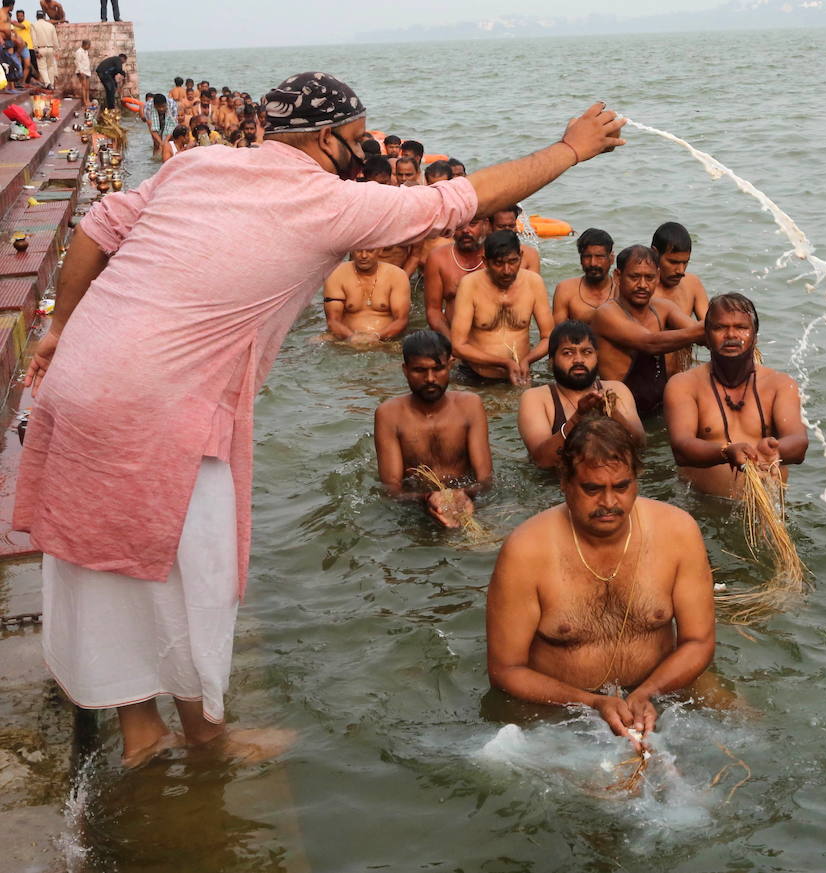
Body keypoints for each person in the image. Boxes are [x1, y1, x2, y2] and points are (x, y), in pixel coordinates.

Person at [16, 70, 625, 766]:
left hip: (78, 380)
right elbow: (467, 198)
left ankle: (141, 734)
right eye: (358, 140)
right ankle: (208, 739)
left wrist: (62, 327)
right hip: (162, 405)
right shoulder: (325, 203)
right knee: (196, 577)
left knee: (108, 561)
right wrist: (570, 149)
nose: (363, 154)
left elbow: (97, 227)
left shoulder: (200, 162)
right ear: (328, 139)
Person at [486, 416, 714, 750]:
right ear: (564, 482)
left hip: (666, 692)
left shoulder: (678, 532)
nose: (608, 503)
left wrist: (648, 693)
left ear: (636, 480)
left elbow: (699, 641)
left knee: (747, 739)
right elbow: (506, 669)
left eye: (621, 487)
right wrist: (590, 704)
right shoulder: (525, 551)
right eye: (592, 489)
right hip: (562, 712)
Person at [664, 293, 807, 497]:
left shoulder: (780, 384)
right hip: (704, 505)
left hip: (768, 507)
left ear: (755, 336)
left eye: (741, 327)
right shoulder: (684, 384)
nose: (731, 335)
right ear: (706, 336)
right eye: (720, 327)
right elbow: (681, 449)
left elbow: (799, 444)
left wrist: (775, 450)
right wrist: (725, 452)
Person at [375, 330, 492, 527]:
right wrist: (428, 497)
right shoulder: (389, 415)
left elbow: (486, 479)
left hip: (468, 499)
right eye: (419, 370)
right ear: (405, 370)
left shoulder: (470, 406)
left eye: (438, 369)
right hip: (415, 508)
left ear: (450, 365)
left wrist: (463, 494)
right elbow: (391, 489)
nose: (430, 378)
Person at [591, 245, 703, 417]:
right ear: (618, 277)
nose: (642, 285)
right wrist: (705, 330)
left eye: (649, 278)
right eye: (634, 277)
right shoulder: (606, 313)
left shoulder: (664, 308)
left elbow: (698, 333)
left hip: (660, 407)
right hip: (619, 411)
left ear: (658, 277)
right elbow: (649, 343)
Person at [517, 320, 643, 468]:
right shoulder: (535, 398)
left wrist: (612, 411)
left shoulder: (617, 389)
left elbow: (640, 445)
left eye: (587, 352)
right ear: (551, 362)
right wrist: (579, 417)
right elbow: (543, 460)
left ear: (597, 357)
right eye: (567, 353)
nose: (578, 360)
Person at [449, 229, 552, 386]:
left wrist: (527, 360)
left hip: (523, 373)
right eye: (498, 263)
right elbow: (458, 346)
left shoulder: (533, 282)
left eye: (512, 261)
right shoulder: (470, 284)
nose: (507, 270)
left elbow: (549, 337)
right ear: (485, 261)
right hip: (476, 375)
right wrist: (505, 363)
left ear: (521, 257)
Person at [322, 248, 410, 344]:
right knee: (314, 342)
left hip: (386, 341)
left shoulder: (397, 275)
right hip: (346, 339)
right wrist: (351, 338)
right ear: (351, 250)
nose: (363, 256)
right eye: (358, 250)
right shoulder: (336, 274)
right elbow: (333, 321)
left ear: (380, 250)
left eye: (370, 251)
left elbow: (401, 320)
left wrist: (376, 337)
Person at [423, 214, 489, 337]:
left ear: (485, 224)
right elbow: (433, 311)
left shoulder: (498, 258)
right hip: (452, 335)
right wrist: (453, 344)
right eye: (459, 225)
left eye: (472, 224)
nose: (465, 230)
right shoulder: (438, 258)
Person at [552, 227, 615, 325]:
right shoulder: (566, 290)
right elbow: (557, 334)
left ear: (611, 258)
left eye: (599, 257)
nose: (593, 263)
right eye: (587, 257)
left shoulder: (622, 289)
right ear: (581, 259)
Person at [650, 221, 708, 321]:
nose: (681, 271)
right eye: (673, 262)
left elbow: (710, 326)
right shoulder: (641, 292)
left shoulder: (692, 284)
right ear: (654, 253)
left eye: (685, 262)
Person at [490, 204, 541, 274]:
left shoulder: (530, 255)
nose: (507, 231)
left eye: (511, 226)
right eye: (501, 226)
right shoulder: (481, 256)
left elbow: (534, 283)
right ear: (490, 226)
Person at [30, 11, 56, 89]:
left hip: (41, 48)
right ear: (44, 17)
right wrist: (56, 49)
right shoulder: (50, 25)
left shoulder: (34, 25)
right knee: (50, 67)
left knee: (42, 68)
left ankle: (47, 83)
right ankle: (52, 83)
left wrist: (36, 50)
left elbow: (34, 39)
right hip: (50, 48)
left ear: (36, 17)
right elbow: (55, 39)